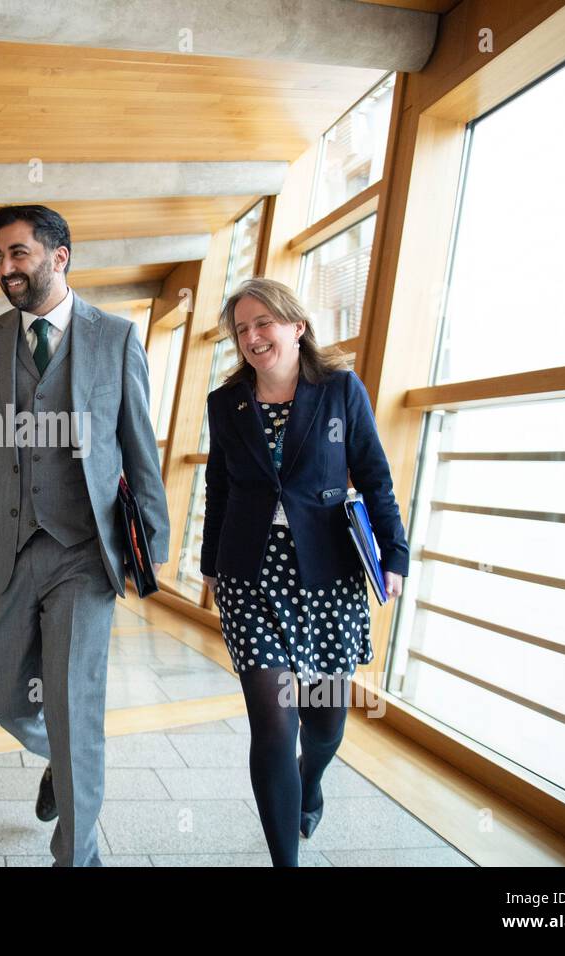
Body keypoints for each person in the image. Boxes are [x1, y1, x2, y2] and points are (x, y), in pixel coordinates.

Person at [0, 205, 169, 866]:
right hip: (7, 548)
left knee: (76, 705)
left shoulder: (114, 338)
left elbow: (140, 450)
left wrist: (152, 550)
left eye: (18, 253)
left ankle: (77, 855)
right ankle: (61, 755)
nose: (5, 269)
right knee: (5, 696)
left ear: (60, 257)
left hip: (86, 554)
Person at [200, 277, 408, 867]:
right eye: (241, 328)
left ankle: (310, 781)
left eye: (264, 322)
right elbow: (219, 489)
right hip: (252, 578)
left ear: (297, 326)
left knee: (323, 725)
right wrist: (211, 567)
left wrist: (394, 555)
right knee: (272, 726)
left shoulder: (340, 391)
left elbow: (374, 475)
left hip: (328, 576)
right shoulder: (226, 403)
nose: (252, 336)